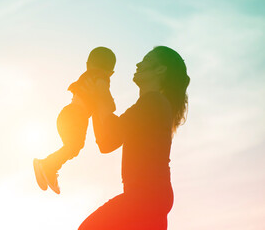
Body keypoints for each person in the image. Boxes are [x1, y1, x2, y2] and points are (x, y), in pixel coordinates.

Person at [78, 46, 190, 229]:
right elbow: (107, 142)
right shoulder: (150, 104)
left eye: (146, 60)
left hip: (146, 197)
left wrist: (101, 94)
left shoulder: (153, 102)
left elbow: (112, 132)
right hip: (150, 199)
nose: (138, 64)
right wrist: (97, 99)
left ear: (160, 70)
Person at [33, 47, 116, 194]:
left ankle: (49, 166)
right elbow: (104, 96)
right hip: (77, 115)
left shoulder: (87, 75)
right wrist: (109, 104)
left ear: (87, 64)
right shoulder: (101, 77)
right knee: (74, 146)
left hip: (68, 113)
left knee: (73, 147)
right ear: (111, 72)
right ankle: (48, 165)